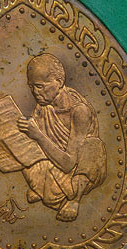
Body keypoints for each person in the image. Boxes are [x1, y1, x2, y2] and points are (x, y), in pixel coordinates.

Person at [17, 53, 107, 222]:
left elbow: (69, 164)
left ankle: (74, 200)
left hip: (77, 172)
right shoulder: (43, 107)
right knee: (23, 147)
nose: (35, 92)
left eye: (40, 86)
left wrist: (37, 135)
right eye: (32, 87)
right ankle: (44, 188)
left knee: (93, 146)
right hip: (55, 161)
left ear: (59, 82)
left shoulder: (79, 110)